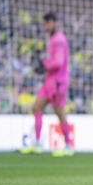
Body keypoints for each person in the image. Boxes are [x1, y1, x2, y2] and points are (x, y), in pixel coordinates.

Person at [21, 12, 73, 157]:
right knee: (37, 107)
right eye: (45, 24)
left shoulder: (59, 40)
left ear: (55, 23)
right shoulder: (52, 39)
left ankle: (68, 146)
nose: (46, 27)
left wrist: (44, 64)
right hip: (48, 81)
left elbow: (58, 62)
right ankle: (37, 144)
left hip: (57, 81)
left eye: (48, 23)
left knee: (59, 111)